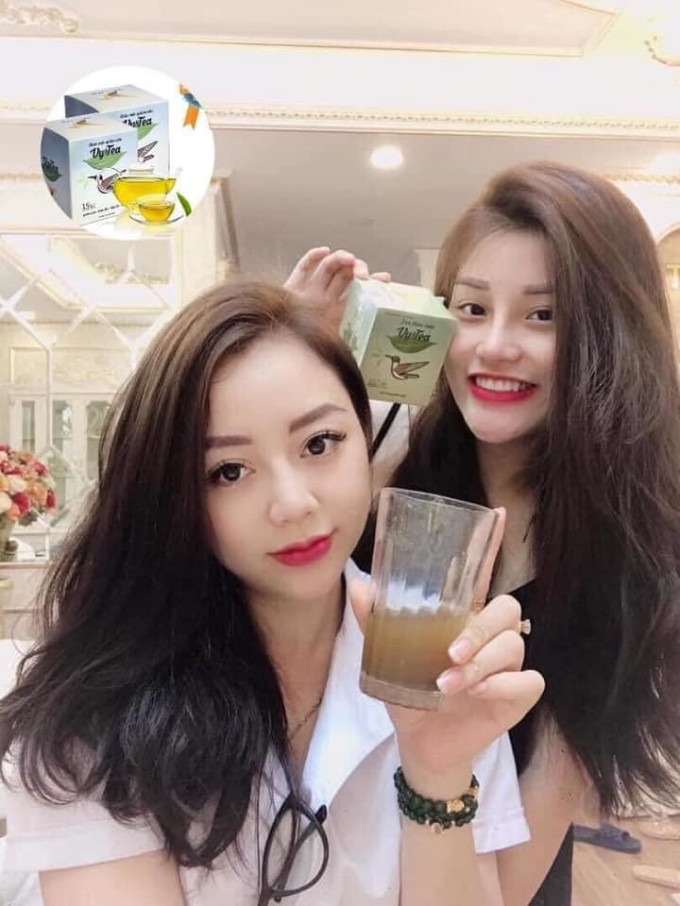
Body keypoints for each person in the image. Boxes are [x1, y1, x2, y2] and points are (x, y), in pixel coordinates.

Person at [0, 282, 544, 906]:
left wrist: (437, 774)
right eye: (228, 471)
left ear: (367, 443)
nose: (292, 503)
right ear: (171, 498)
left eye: (319, 444)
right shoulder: (94, 717)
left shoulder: (443, 666)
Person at [284, 161, 680, 905]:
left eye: (543, 315)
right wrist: (293, 355)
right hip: (303, 868)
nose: (494, 346)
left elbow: (513, 880)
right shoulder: (384, 465)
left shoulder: (629, 571)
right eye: (470, 308)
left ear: (610, 335)